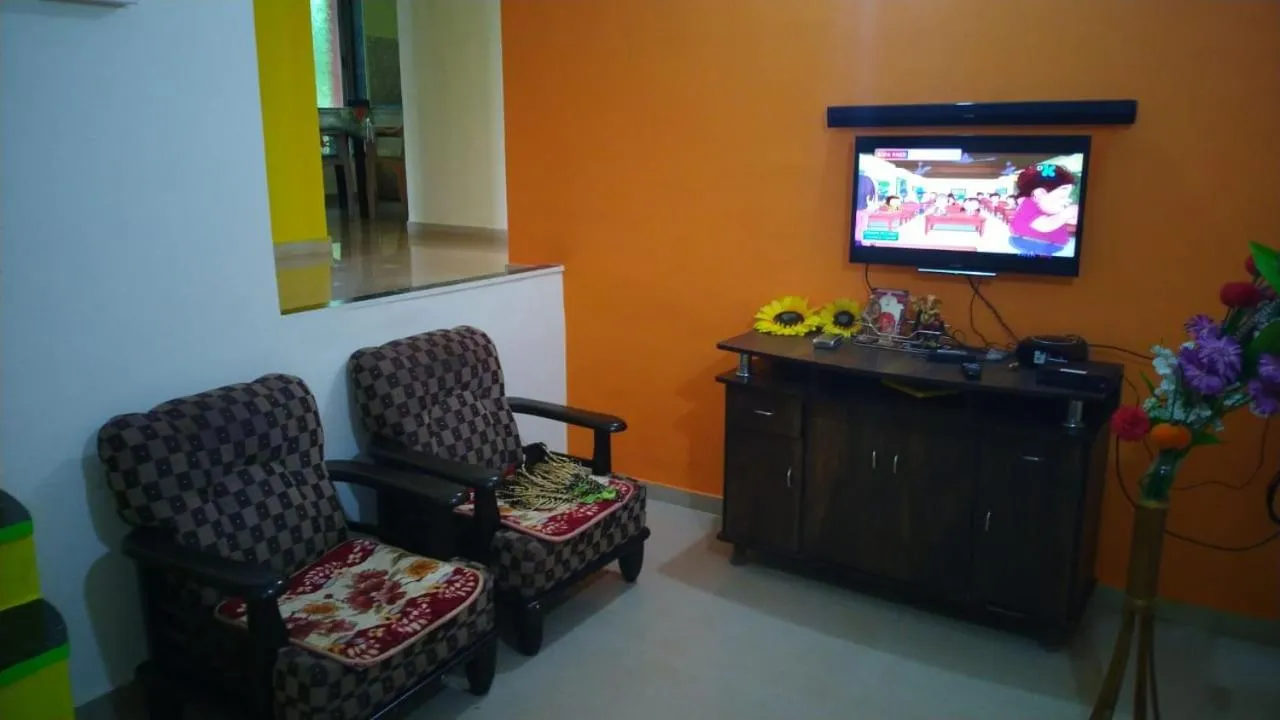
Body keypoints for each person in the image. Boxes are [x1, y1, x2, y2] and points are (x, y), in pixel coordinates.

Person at [1007, 163, 1078, 255]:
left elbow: (1067, 221)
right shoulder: (1028, 206)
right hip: (1031, 243)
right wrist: (1066, 214)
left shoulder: (1047, 208)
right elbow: (1044, 225)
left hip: (1045, 245)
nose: (1068, 200)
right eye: (1062, 197)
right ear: (1039, 194)